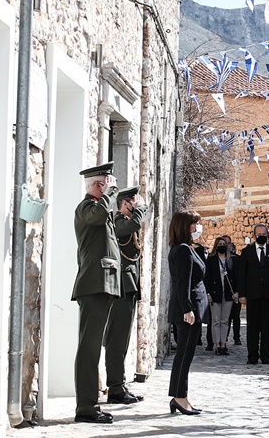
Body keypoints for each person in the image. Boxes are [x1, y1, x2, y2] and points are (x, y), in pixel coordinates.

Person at [71, 162, 121, 424]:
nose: (112, 188)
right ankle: (85, 408)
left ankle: (89, 405)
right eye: (107, 183)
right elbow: (98, 217)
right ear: (99, 185)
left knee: (93, 348)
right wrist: (109, 195)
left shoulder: (100, 208)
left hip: (103, 286)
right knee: (89, 348)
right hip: (93, 286)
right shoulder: (88, 208)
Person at [103, 186, 147, 405]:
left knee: (123, 339)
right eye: (133, 201)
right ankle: (115, 388)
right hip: (120, 286)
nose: (136, 204)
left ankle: (119, 384)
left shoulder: (126, 222)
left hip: (128, 286)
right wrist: (138, 211)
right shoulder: (118, 221)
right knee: (116, 339)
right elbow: (133, 224)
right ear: (125, 203)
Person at [166, 210, 208, 416]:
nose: (198, 227)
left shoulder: (183, 248)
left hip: (190, 308)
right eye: (195, 223)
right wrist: (188, 309)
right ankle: (179, 397)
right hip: (188, 310)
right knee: (184, 355)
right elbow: (182, 283)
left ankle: (180, 396)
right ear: (186, 226)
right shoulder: (182, 250)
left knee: (185, 354)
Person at [238, 223, 269, 365]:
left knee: (267, 327)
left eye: (264, 235)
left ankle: (266, 355)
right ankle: (252, 355)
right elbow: (242, 275)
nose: (261, 237)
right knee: (252, 327)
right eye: (259, 235)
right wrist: (242, 294)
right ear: (254, 235)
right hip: (252, 295)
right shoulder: (247, 252)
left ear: (267, 235)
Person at [204, 234, 239, 355]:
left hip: (228, 294)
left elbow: (236, 277)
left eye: (224, 245)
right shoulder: (211, 259)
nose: (222, 246)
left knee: (225, 320)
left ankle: (223, 344)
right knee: (216, 320)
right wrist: (208, 293)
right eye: (220, 245)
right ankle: (216, 344)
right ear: (216, 246)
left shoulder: (232, 260)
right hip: (215, 294)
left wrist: (237, 292)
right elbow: (206, 278)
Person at [225, 235, 243, 345]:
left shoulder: (237, 259)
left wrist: (238, 291)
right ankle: (224, 337)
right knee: (225, 318)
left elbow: (240, 276)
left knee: (236, 316)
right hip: (224, 292)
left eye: (228, 243)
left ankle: (237, 337)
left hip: (235, 291)